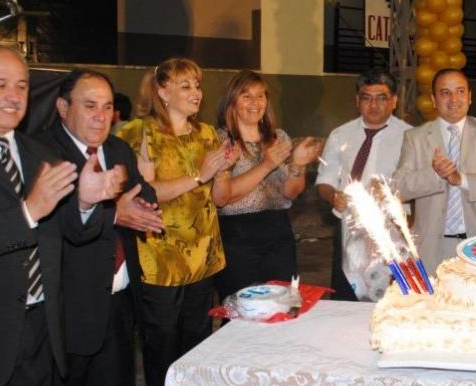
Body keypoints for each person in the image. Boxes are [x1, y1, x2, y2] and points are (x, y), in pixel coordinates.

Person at [0, 44, 124, 386]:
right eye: (1, 84)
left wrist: (85, 203)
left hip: (44, 333)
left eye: (21, 86)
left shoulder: (40, 152)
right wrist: (27, 212)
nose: (14, 96)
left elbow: (72, 233)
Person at [38, 69, 165, 386]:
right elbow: (53, 221)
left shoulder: (118, 149)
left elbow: (142, 192)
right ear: (63, 108)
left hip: (120, 299)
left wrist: (144, 205)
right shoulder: (42, 153)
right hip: (72, 307)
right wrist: (113, 212)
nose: (101, 117)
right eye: (90, 106)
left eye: (107, 107)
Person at [115, 58, 236, 386]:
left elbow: (220, 195)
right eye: (186, 86)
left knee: (196, 343)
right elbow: (144, 194)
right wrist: (200, 175)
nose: (196, 92)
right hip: (162, 257)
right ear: (162, 92)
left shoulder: (207, 133)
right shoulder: (141, 132)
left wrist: (225, 168)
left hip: (203, 256)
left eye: (197, 85)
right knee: (162, 344)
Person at [393, 68, 476, 274]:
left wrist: (461, 179)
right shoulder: (415, 137)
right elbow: (398, 188)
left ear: (470, 97)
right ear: (433, 100)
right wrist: (435, 175)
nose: (454, 99)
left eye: (460, 92)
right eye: (445, 93)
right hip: (431, 247)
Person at [213, 69, 321, 299]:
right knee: (241, 309)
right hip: (237, 237)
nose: (255, 102)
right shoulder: (219, 140)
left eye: (261, 95)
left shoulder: (277, 137)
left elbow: (290, 192)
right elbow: (224, 197)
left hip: (278, 232)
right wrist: (266, 165)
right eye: (247, 96)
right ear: (232, 101)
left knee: (282, 305)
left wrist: (299, 165)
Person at [315, 69, 412, 301]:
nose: (374, 105)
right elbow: (324, 181)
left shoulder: (410, 136)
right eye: (367, 98)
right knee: (347, 298)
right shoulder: (340, 135)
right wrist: (332, 196)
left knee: (393, 299)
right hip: (350, 229)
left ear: (394, 101)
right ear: (357, 101)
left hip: (393, 231)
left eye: (382, 98)